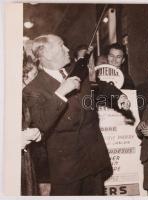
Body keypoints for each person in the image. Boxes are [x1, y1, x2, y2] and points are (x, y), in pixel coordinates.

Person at [23, 34, 131, 195]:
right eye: (61, 46)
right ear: (46, 53)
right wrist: (61, 92)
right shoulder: (33, 89)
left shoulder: (76, 70)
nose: (67, 49)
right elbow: (42, 122)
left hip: (93, 160)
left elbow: (98, 85)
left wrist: (118, 96)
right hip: (67, 169)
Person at [21, 58, 42, 195]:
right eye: (34, 76)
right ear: (24, 75)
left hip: (25, 154)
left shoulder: (26, 96)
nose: (37, 80)